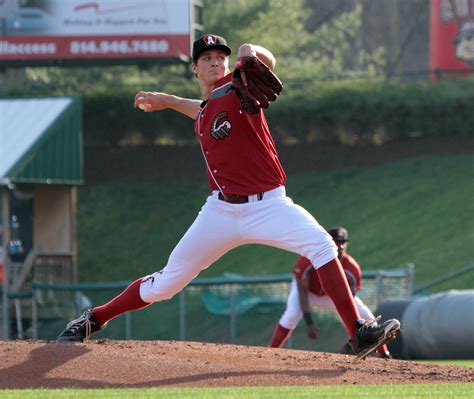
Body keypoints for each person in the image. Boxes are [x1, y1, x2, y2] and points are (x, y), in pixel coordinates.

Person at [57, 34, 400, 357]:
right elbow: (202, 107)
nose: (215, 63)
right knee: (165, 285)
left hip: (269, 205)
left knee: (323, 246)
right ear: (194, 68)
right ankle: (94, 319)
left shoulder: (239, 89)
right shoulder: (207, 109)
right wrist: (168, 101)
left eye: (221, 57)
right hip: (220, 213)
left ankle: (358, 332)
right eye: (206, 58)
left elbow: (268, 62)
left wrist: (250, 51)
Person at [269, 227, 392, 358]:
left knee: (369, 318)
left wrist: (352, 331)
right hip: (308, 293)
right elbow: (302, 291)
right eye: (335, 242)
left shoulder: (352, 268)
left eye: (342, 242)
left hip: (332, 296)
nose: (339, 246)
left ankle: (385, 354)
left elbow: (350, 299)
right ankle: (269, 351)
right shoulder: (308, 259)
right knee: (291, 315)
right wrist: (309, 322)